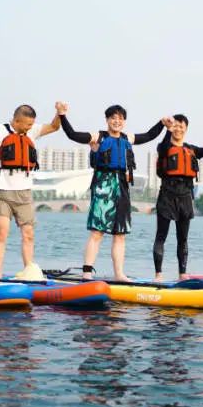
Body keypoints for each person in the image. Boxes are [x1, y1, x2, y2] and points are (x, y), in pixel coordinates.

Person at [58, 103, 171, 281]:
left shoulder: (128, 138)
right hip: (103, 185)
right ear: (107, 120)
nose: (116, 121)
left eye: (120, 118)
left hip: (122, 187)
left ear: (124, 121)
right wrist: (62, 116)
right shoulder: (98, 137)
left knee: (120, 234)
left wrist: (162, 124)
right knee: (97, 231)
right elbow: (73, 135)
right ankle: (87, 272)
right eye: (113, 118)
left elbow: (149, 135)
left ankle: (119, 274)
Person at [0, 78, 61, 278]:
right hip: (4, 192)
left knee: (28, 234)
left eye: (32, 124)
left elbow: (54, 126)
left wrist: (59, 113)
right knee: (2, 233)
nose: (30, 127)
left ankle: (28, 271)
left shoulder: (32, 131)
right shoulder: (0, 131)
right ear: (16, 121)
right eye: (26, 124)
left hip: (24, 193)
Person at [152, 115, 203, 281]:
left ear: (186, 129)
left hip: (185, 196)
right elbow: (162, 148)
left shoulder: (192, 149)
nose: (178, 129)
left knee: (182, 238)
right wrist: (167, 130)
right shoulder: (164, 147)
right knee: (161, 236)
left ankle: (182, 274)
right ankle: (158, 274)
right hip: (167, 195)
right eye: (175, 126)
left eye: (181, 126)